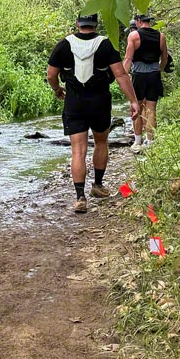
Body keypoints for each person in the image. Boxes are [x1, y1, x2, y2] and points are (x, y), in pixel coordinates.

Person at [47, 14, 139, 213]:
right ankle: (97, 185)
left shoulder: (64, 44)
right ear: (96, 25)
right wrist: (132, 100)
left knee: (78, 151)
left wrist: (57, 89)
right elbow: (121, 74)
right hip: (99, 103)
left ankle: (80, 197)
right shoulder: (105, 45)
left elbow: (51, 75)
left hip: (74, 104)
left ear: (77, 24)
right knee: (101, 142)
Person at [123, 14, 168, 152]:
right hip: (154, 75)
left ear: (139, 21)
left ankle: (137, 142)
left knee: (136, 107)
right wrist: (158, 70)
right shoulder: (161, 36)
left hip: (139, 75)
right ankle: (150, 141)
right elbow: (165, 57)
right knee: (151, 109)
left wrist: (124, 76)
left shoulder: (134, 36)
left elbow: (128, 58)